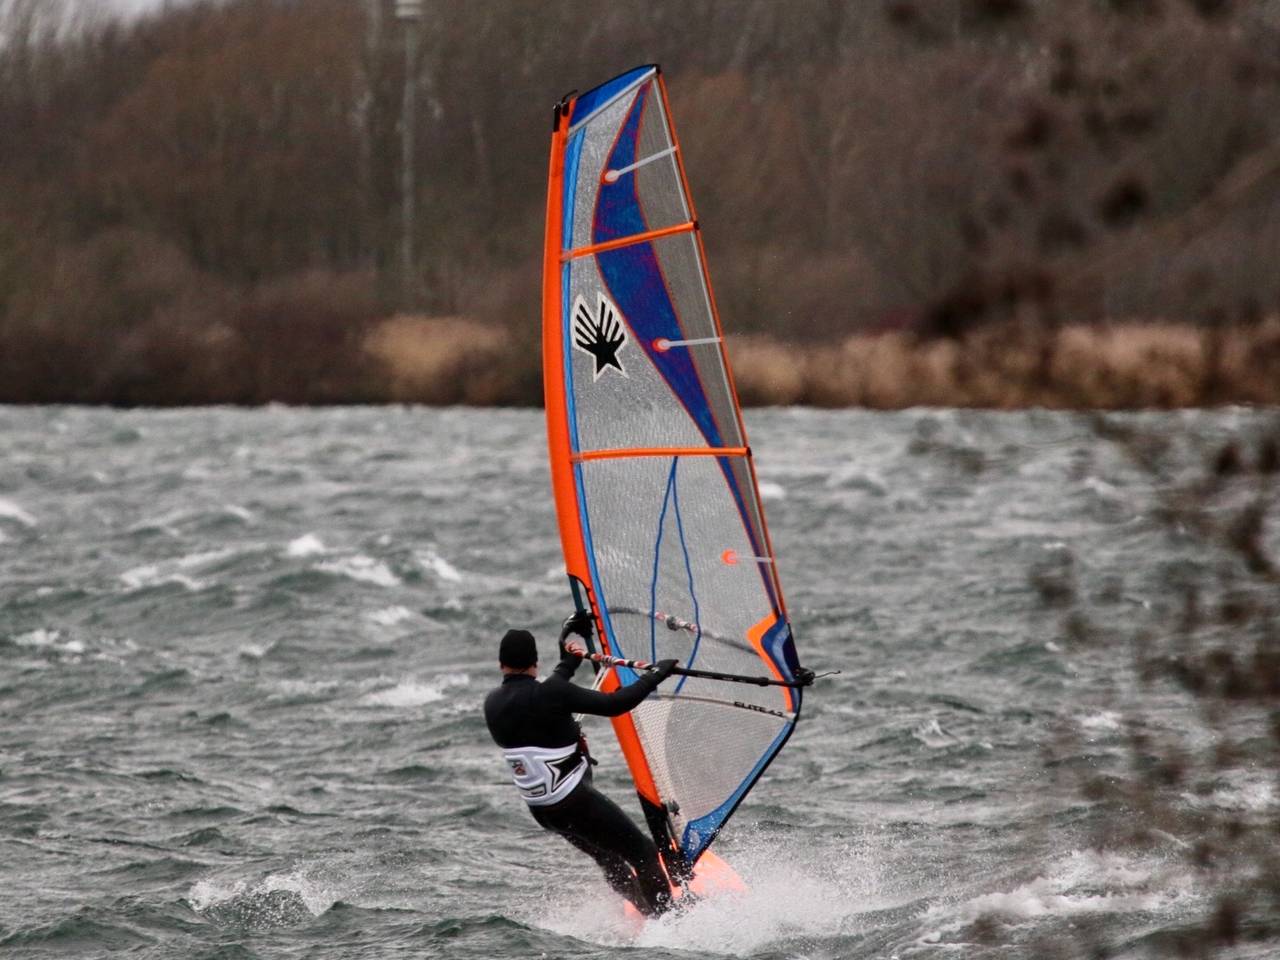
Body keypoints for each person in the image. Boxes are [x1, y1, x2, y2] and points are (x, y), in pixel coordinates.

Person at [484, 612, 679, 916]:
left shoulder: (493, 702)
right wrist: (656, 675)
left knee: (608, 858)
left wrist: (567, 663)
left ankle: (645, 910)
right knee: (644, 854)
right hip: (574, 801)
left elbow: (544, 695)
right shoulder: (550, 693)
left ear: (501, 664)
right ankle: (670, 921)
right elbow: (616, 704)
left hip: (544, 811)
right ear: (535, 662)